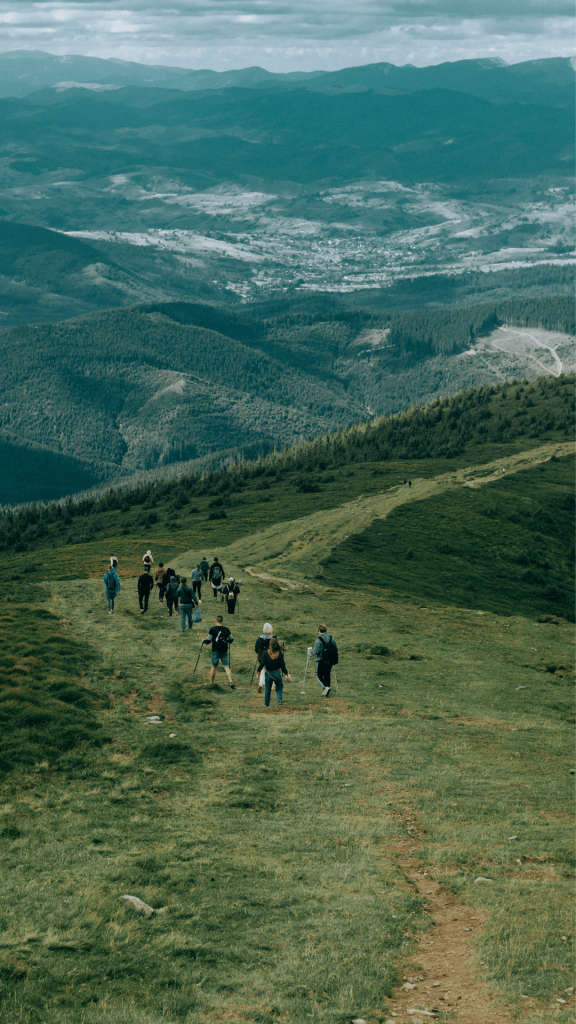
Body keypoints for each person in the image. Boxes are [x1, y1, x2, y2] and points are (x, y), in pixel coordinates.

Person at [257, 638, 291, 708]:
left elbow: (262, 664)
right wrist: (287, 673)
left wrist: (258, 672)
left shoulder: (266, 653)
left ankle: (266, 704)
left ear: (269, 645)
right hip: (277, 673)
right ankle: (279, 701)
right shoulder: (280, 654)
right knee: (279, 687)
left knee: (267, 689)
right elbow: (282, 666)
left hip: (268, 673)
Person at [202, 615, 234, 688]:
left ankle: (211, 683)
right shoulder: (226, 629)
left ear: (215, 620)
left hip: (216, 650)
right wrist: (227, 641)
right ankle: (231, 682)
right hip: (224, 650)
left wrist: (203, 641)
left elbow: (208, 641)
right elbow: (231, 639)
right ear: (222, 621)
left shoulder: (212, 629)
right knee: (226, 667)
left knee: (213, 667)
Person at [311, 624, 339, 698]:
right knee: (327, 674)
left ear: (319, 631)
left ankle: (325, 688)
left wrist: (310, 652)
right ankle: (327, 691)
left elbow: (316, 651)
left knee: (318, 675)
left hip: (320, 660)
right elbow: (337, 648)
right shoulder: (331, 638)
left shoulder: (318, 640)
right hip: (330, 660)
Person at [254, 622, 277, 690]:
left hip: (261, 658)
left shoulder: (259, 639)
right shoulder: (273, 638)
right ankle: (273, 685)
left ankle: (261, 684)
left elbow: (256, 650)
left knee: (262, 670)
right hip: (270, 658)